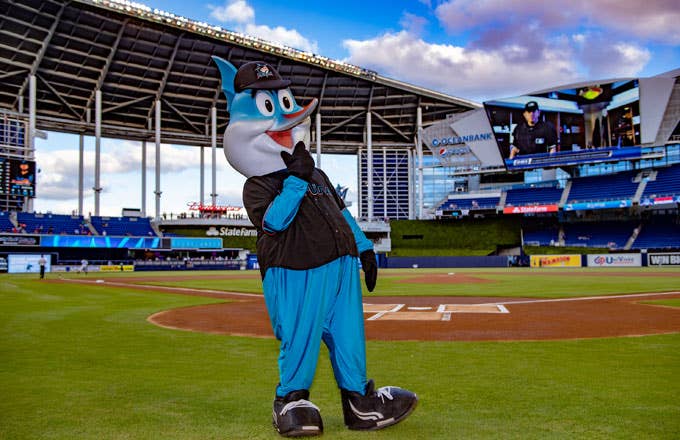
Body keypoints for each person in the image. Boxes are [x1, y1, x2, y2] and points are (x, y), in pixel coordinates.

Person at [213, 57, 417, 437]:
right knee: (301, 338)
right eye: (271, 107)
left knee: (349, 338)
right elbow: (274, 221)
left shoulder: (317, 174)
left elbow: (341, 214)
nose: (286, 120)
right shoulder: (258, 183)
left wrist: (364, 248)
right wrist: (295, 179)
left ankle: (360, 402)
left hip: (340, 271)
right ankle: (290, 401)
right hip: (295, 272)